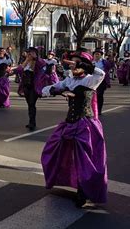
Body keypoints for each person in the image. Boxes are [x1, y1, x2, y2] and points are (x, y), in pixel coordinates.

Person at [41, 51, 107, 208]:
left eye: (77, 64)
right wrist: (55, 91)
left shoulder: (91, 80)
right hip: (69, 123)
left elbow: (101, 73)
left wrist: (84, 65)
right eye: (71, 63)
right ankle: (63, 179)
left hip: (86, 126)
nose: (73, 66)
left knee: (84, 160)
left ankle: (82, 192)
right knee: (52, 150)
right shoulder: (69, 81)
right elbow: (46, 90)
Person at [14, 47, 47, 131]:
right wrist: (26, 60)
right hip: (25, 85)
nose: (29, 55)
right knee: (29, 104)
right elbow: (18, 70)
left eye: (31, 53)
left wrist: (35, 57)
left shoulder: (39, 62)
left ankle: (32, 122)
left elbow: (42, 64)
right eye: (28, 53)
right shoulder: (26, 62)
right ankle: (31, 121)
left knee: (32, 103)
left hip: (34, 86)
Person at [92, 49, 113, 115]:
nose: (97, 55)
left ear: (101, 55)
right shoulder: (91, 62)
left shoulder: (104, 62)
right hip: (92, 81)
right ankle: (93, 109)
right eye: (95, 54)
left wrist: (111, 58)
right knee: (92, 95)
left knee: (99, 95)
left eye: (98, 54)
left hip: (102, 80)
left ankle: (99, 109)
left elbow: (110, 66)